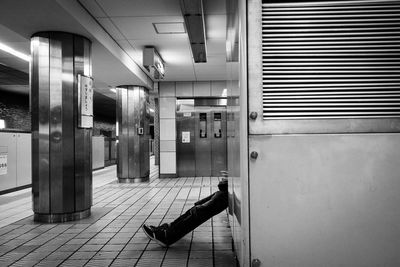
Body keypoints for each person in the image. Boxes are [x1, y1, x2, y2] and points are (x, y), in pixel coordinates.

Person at [142, 179, 229, 247]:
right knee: (195, 209)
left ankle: (167, 237)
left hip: (224, 196)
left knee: (198, 212)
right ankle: (169, 228)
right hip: (225, 193)